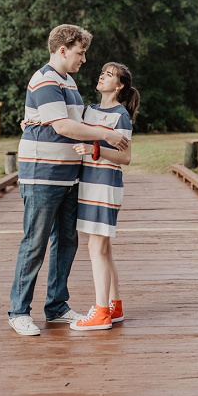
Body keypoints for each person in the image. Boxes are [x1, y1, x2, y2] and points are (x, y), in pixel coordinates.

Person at [7, 24, 130, 336]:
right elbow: (64, 127)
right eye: (80, 52)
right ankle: (19, 311)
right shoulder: (45, 79)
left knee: (66, 242)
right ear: (62, 50)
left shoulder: (69, 83)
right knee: (35, 242)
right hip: (42, 175)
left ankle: (57, 305)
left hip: (69, 176)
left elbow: (74, 121)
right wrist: (107, 135)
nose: (84, 59)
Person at [69, 62, 139, 331]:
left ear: (119, 86)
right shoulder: (89, 110)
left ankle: (100, 314)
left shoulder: (120, 116)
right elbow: (67, 127)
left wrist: (94, 149)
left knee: (95, 248)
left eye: (109, 75)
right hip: (87, 183)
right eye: (102, 73)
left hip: (105, 184)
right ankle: (114, 305)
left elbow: (125, 157)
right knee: (104, 248)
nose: (102, 77)